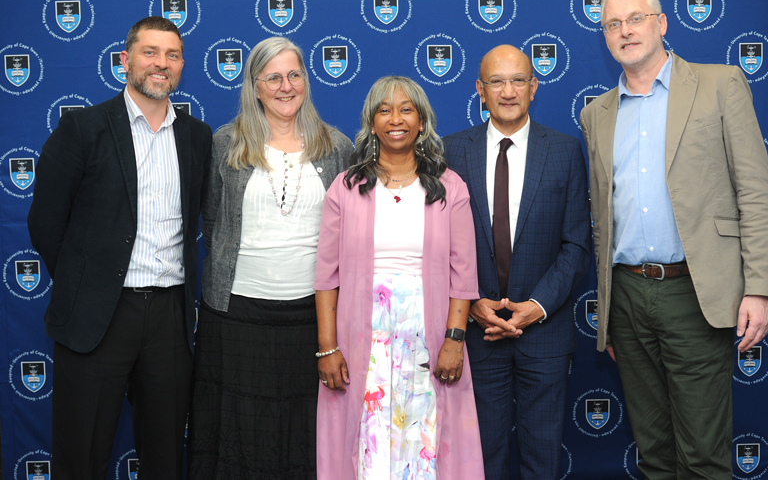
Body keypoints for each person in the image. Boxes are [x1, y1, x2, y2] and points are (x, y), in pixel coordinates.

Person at [580, 0, 768, 478]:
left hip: (695, 293)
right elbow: (603, 223)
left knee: (703, 458)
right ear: (605, 37)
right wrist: (606, 311)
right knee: (654, 454)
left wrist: (758, 288)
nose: (625, 31)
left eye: (635, 19)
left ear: (662, 23)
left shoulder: (720, 84)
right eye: (612, 25)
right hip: (627, 298)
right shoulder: (595, 115)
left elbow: (753, 191)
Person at [27, 16, 212, 480]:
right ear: (126, 61)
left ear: (182, 66)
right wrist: (85, 284)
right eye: (150, 53)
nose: (160, 64)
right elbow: (46, 222)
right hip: (98, 316)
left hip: (170, 316)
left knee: (167, 451)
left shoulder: (196, 138)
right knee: (82, 450)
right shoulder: (83, 128)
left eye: (171, 55)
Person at [188, 37, 353, 479]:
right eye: (274, 77)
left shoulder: (336, 147)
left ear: (306, 82)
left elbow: (353, 233)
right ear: (255, 86)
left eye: (294, 75)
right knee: (237, 439)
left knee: (307, 435)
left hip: (313, 319)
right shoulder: (224, 145)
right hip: (236, 315)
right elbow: (211, 223)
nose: (286, 86)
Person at [315, 76, 485, 480]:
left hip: (427, 336)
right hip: (360, 336)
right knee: (365, 436)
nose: (396, 119)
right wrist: (327, 348)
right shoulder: (346, 187)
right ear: (372, 122)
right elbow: (326, 275)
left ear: (422, 122)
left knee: (423, 436)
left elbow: (464, 274)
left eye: (407, 109)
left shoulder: (449, 187)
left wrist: (454, 341)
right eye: (385, 110)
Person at [443, 45, 591, 480]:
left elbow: (577, 244)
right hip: (476, 330)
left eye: (518, 80)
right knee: (479, 457)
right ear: (480, 91)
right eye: (496, 81)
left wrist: (536, 307)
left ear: (533, 87)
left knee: (541, 458)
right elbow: (440, 246)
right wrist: (470, 303)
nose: (508, 91)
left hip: (544, 332)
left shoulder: (564, 151)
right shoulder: (452, 152)